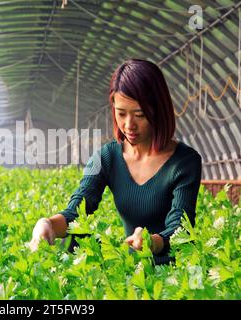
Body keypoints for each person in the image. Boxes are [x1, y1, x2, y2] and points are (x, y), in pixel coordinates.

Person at [29, 58, 202, 265]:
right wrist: (47, 224)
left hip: (172, 267)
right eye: (121, 113)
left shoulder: (185, 162)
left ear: (158, 110)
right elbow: (78, 210)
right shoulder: (105, 157)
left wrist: (150, 241)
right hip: (129, 264)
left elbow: (180, 229)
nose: (129, 125)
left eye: (139, 115)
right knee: (76, 239)